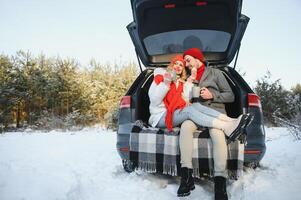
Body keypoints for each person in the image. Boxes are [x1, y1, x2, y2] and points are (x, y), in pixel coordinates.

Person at [148, 54, 250, 160]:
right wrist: (166, 83)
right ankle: (225, 126)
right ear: (171, 65)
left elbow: (186, 99)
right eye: (176, 63)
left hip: (174, 113)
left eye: (181, 65)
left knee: (195, 105)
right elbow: (154, 100)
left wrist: (190, 80)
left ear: (183, 70)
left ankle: (232, 121)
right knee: (189, 111)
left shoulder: (180, 83)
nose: (178, 66)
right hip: (159, 117)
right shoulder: (160, 78)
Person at [178, 47, 245, 199]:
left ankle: (220, 184)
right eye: (185, 62)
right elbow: (184, 98)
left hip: (216, 112)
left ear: (197, 58)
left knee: (217, 134)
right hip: (196, 113)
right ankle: (186, 177)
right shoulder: (188, 76)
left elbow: (230, 96)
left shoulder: (216, 73)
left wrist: (212, 95)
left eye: (188, 60)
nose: (186, 64)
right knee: (185, 126)